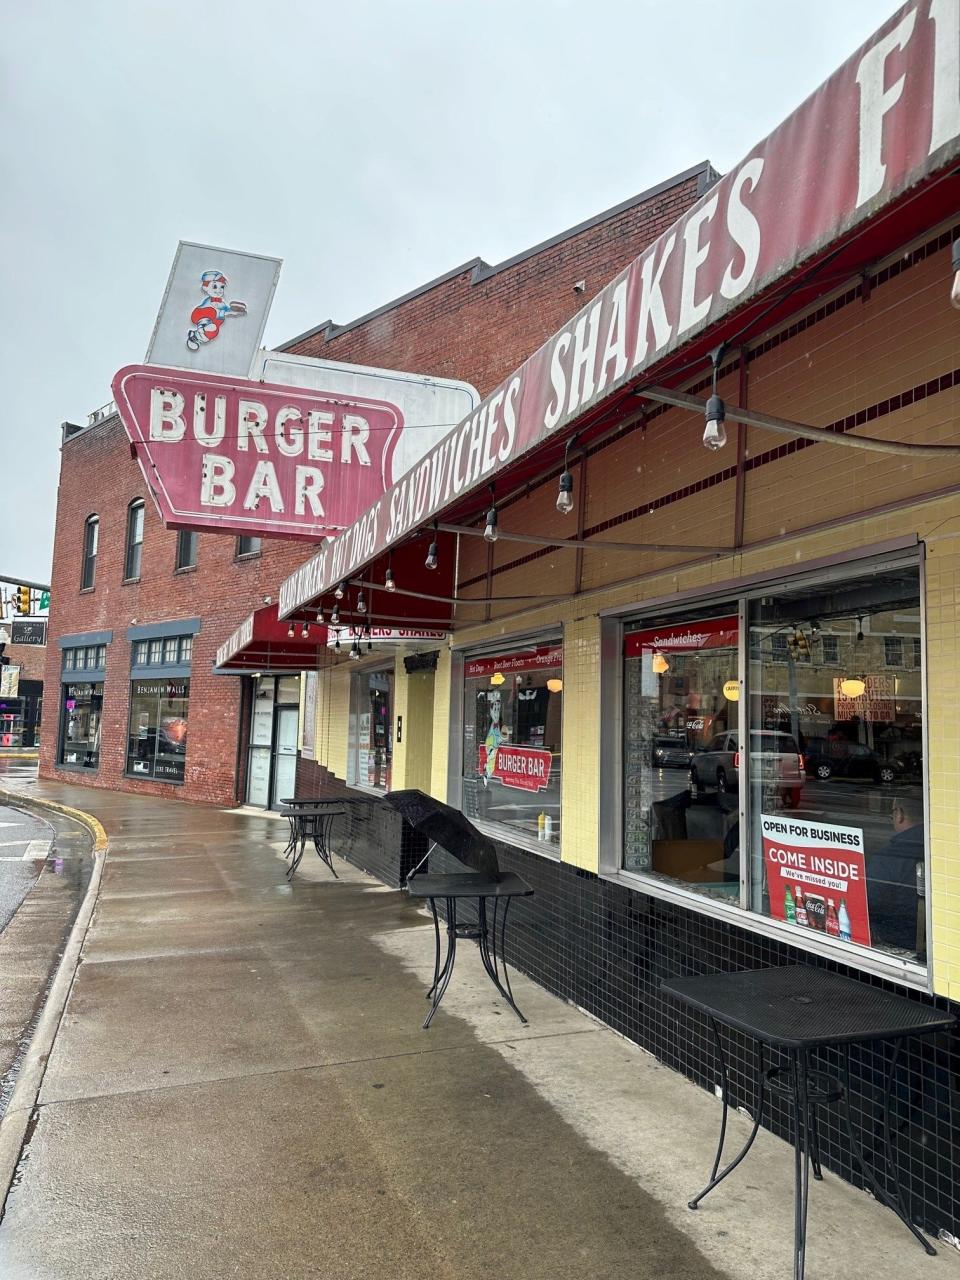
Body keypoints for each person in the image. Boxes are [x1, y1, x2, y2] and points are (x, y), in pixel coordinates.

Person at [867, 792, 924, 952]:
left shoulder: (888, 858)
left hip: (899, 942)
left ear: (899, 814)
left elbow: (870, 905)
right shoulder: (943, 848)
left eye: (892, 812)